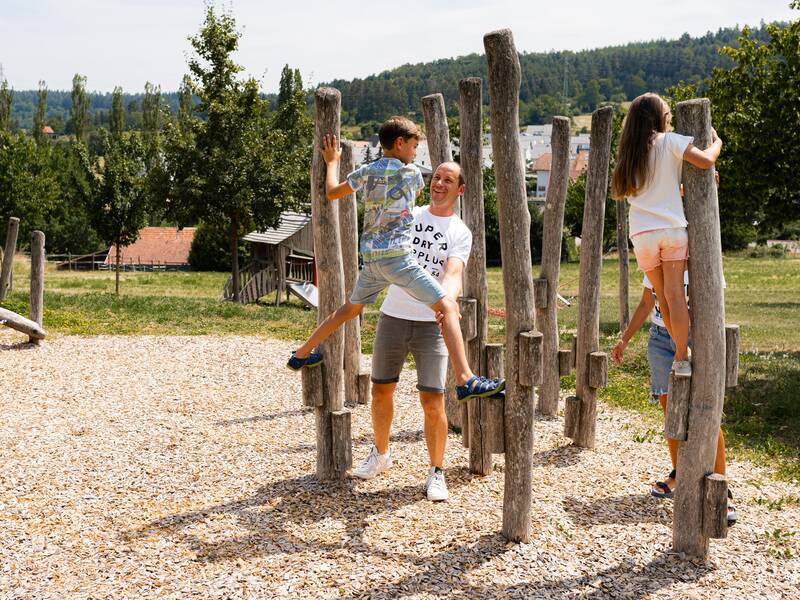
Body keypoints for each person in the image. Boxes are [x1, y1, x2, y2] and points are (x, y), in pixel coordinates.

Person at [288, 117, 503, 402]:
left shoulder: (367, 171)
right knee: (448, 308)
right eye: (414, 146)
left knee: (348, 310)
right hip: (398, 260)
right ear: (400, 144)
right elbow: (416, 193)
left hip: (372, 259)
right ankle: (466, 380)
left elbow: (332, 192)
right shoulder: (412, 173)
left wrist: (331, 161)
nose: (415, 153)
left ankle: (301, 353)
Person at [352, 161, 470, 501]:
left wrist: (446, 301)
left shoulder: (460, 232)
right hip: (393, 314)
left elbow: (453, 272)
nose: (440, 184)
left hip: (430, 324)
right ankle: (381, 453)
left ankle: (436, 471)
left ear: (459, 190)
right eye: (436, 177)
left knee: (432, 400)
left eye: (448, 180)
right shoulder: (410, 215)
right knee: (380, 391)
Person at [612, 271, 737, 525]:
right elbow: (647, 302)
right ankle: (680, 474)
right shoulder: (658, 256)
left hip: (697, 336)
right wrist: (624, 339)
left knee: (707, 411)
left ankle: (721, 488)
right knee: (672, 414)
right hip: (660, 340)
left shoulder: (703, 255)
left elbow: (715, 303)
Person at [611, 92, 722, 376]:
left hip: (642, 235)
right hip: (671, 230)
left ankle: (680, 353)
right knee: (675, 296)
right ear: (658, 117)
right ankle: (682, 357)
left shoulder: (630, 153)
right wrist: (717, 142)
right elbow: (706, 161)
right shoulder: (671, 142)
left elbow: (647, 193)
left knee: (662, 297)